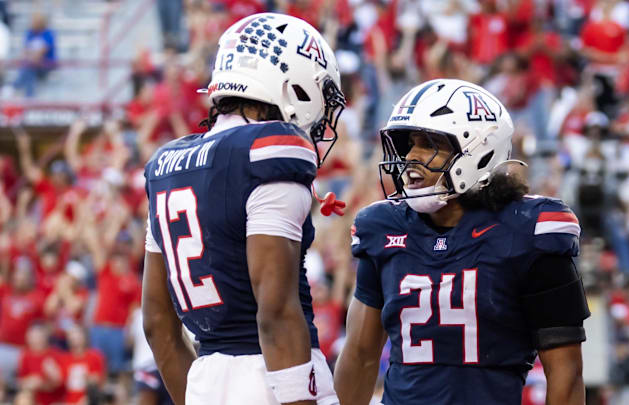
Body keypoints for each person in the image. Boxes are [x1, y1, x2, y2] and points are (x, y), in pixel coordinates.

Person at [334, 79, 590, 405]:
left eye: (428, 143)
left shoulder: (528, 232)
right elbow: (360, 356)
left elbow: (566, 374)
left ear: (478, 151)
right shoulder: (383, 228)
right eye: (409, 144)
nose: (411, 156)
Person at [141, 12, 345, 405]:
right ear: (292, 84)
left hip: (205, 380)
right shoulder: (270, 149)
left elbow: (157, 324)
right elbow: (276, 314)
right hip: (275, 378)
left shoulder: (165, 164)